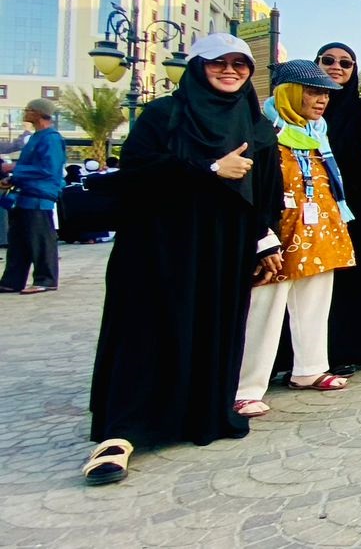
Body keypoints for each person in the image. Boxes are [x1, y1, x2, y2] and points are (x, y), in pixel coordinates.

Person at [83, 33, 282, 486]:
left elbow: (267, 191)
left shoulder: (254, 124)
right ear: (197, 67)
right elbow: (134, 175)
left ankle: (198, 414)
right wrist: (209, 169)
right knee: (147, 329)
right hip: (159, 244)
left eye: (239, 64)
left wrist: (264, 239)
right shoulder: (163, 115)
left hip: (223, 248)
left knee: (211, 325)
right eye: (218, 62)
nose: (230, 71)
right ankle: (121, 432)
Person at [235, 60, 358, 419]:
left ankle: (309, 368)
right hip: (278, 232)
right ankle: (246, 387)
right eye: (313, 92)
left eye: (325, 94)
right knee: (264, 310)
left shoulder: (317, 132)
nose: (322, 100)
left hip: (318, 231)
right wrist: (261, 233)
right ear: (289, 93)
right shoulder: (263, 132)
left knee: (314, 302)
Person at [279, 42, 361, 375]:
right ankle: (296, 357)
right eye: (328, 60)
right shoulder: (296, 112)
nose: (337, 67)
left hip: (350, 209)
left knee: (348, 280)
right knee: (304, 278)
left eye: (346, 63)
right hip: (305, 209)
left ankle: (345, 350)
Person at [0, 98, 66, 294]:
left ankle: (46, 279)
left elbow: (48, 169)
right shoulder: (37, 137)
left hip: (39, 197)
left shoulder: (51, 138)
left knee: (40, 239)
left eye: (29, 109)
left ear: (39, 113)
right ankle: (12, 281)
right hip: (24, 195)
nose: (25, 112)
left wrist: (14, 168)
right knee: (18, 241)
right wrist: (13, 179)